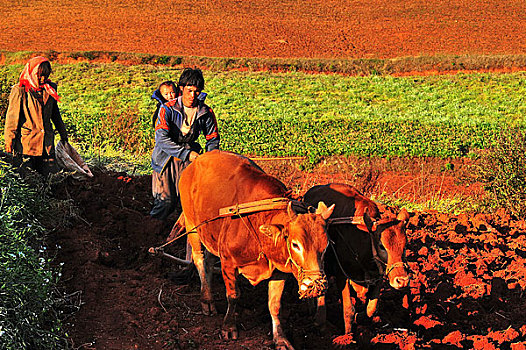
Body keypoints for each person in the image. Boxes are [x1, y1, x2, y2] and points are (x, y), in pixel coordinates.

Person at [150, 68, 220, 221]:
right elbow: (161, 139)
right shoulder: (167, 109)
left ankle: (185, 238)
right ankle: (152, 233)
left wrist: (210, 157)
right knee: (165, 202)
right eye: (189, 91)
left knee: (190, 202)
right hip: (165, 159)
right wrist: (186, 154)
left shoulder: (205, 112)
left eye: (196, 91)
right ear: (181, 89)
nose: (192, 95)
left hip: (189, 161)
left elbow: (212, 138)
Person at [4, 56, 68, 176]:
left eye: (46, 75)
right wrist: (9, 140)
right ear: (31, 73)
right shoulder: (20, 90)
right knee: (28, 179)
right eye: (40, 75)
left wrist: (63, 134)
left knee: (50, 177)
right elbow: (12, 118)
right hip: (27, 144)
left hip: (46, 144)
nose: (43, 79)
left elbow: (55, 114)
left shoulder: (50, 89)